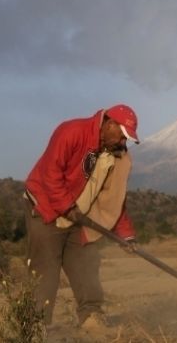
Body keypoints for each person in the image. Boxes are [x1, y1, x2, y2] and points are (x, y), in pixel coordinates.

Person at [23, 104, 141, 329]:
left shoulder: (115, 156)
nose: (123, 142)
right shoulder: (71, 132)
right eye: (123, 135)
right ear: (109, 123)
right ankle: (36, 327)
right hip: (46, 210)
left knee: (87, 265)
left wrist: (126, 235)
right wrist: (67, 207)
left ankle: (91, 317)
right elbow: (51, 174)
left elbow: (114, 200)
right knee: (46, 271)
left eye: (128, 139)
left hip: (80, 217)